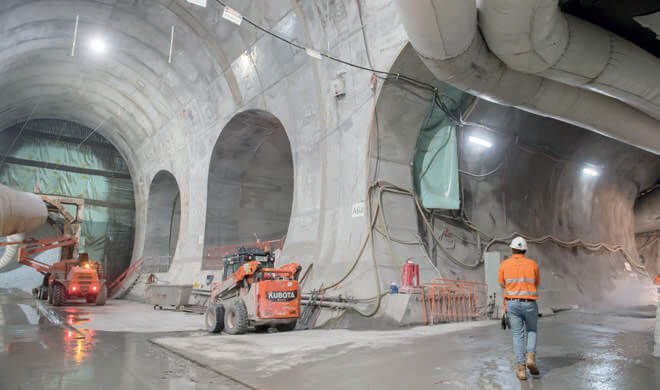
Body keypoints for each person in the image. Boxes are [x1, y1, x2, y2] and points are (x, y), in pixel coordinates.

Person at [498, 236, 540, 380]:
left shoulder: (504, 264)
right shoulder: (533, 264)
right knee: (532, 330)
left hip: (512, 303)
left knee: (517, 335)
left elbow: (502, 283)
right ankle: (530, 357)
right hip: (529, 303)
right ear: (524, 250)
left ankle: (521, 369)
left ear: (512, 249)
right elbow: (537, 282)